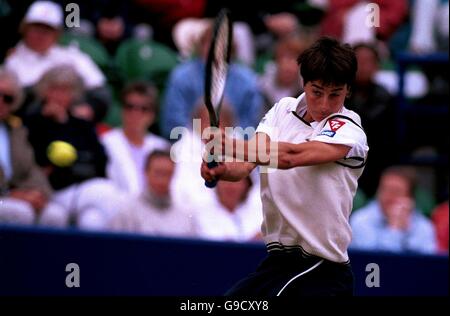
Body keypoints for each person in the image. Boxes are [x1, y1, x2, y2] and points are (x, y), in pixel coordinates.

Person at [201, 36, 368, 296]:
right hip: (278, 264)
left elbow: (291, 156)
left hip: (321, 271)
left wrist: (227, 143)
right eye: (317, 92)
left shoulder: (349, 130)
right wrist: (223, 170)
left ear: (347, 90)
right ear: (304, 83)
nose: (324, 105)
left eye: (335, 94)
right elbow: (249, 163)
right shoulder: (282, 110)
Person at [5, 1, 111, 123]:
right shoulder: (12, 62)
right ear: (24, 28)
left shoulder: (72, 56)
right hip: (32, 126)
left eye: (48, 29)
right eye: (36, 27)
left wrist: (90, 108)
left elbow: (101, 92)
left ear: (57, 33)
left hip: (75, 123)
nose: (41, 34)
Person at [0, 67, 64, 226]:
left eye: (7, 98)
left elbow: (31, 169)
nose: (1, 101)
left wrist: (38, 194)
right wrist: (11, 195)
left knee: (55, 215)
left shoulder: (16, 131)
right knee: (20, 212)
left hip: (15, 196)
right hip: (5, 198)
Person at [101, 81, 169, 194]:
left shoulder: (162, 147)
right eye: (130, 106)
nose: (135, 113)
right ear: (122, 110)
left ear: (152, 115)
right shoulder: (106, 143)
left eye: (143, 109)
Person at [350, 166, 437, 254]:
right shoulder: (360, 220)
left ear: (410, 197)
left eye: (396, 191)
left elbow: (425, 263)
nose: (388, 196)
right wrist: (394, 229)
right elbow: (377, 262)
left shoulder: (424, 226)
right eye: (384, 189)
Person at [109, 150, 196, 238]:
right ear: (145, 173)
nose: (162, 180)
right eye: (158, 173)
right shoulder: (126, 211)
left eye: (167, 174)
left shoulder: (186, 215)